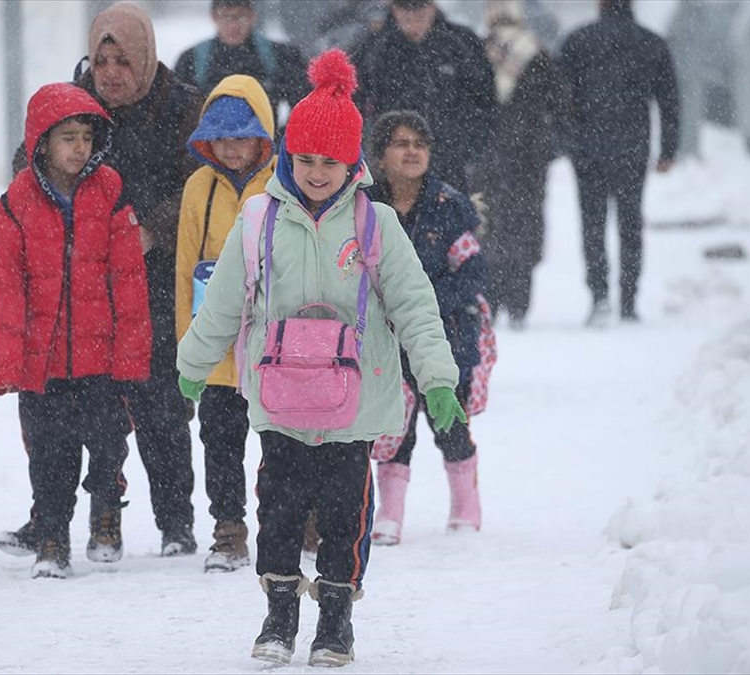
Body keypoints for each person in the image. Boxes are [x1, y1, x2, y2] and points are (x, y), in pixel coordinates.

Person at [176, 49, 465, 667]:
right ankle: (279, 614)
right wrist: (193, 365)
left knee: (345, 516)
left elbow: (416, 307)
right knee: (277, 511)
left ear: (352, 162)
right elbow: (223, 303)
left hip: (352, 407)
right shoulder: (259, 220)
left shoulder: (374, 224)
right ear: (287, 156)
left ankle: (336, 619)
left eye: (329, 162)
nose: (315, 172)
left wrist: (438, 380)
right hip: (280, 400)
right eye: (304, 159)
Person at [0, 1, 203, 560]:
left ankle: (176, 523)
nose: (110, 73)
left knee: (160, 402)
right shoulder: (72, 105)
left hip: (155, 274)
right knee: (65, 410)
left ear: (145, 57)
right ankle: (54, 519)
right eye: (102, 60)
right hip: (80, 282)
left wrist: (152, 230)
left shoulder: (182, 106)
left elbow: (200, 183)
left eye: (123, 61)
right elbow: (27, 169)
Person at [0, 83, 152, 579]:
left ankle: (106, 511)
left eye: (86, 137)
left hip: (102, 362)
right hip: (44, 364)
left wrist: (131, 354)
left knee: (108, 445)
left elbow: (128, 280)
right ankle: (52, 540)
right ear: (41, 143)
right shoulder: (14, 205)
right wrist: (8, 362)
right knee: (50, 456)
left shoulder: (111, 192)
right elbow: (6, 291)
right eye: (67, 138)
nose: (80, 148)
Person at [367, 110, 487, 545]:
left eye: (420, 144)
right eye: (401, 144)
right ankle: (390, 513)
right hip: (385, 337)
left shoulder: (450, 206)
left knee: (449, 423)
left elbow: (473, 272)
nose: (412, 152)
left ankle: (466, 505)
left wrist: (423, 304)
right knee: (392, 429)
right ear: (380, 155)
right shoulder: (365, 206)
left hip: (445, 335)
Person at [175, 74, 276, 573]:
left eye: (243, 136)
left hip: (272, 348)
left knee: (283, 442)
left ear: (263, 136)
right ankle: (229, 528)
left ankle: (292, 520)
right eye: (221, 137)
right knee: (219, 443)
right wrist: (188, 350)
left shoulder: (284, 183)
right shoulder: (198, 188)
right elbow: (184, 268)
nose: (232, 148)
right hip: (217, 347)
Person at [557, 0, 679, 327]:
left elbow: (560, 97)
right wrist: (668, 149)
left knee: (592, 224)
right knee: (630, 223)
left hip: (588, 148)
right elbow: (669, 100)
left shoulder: (578, 41)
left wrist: (566, 141)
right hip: (632, 147)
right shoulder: (651, 43)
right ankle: (628, 300)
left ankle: (598, 295)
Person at [469, 0, 568, 331]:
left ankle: (491, 299)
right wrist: (547, 147)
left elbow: (467, 103)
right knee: (524, 226)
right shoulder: (537, 54)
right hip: (528, 159)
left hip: (486, 158)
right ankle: (519, 303)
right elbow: (561, 106)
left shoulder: (479, 52)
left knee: (487, 225)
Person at [350, 0, 496, 194]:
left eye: (419, 13)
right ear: (394, 9)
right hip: (390, 167)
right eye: (405, 13)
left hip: (450, 165)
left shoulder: (462, 43)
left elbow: (484, 101)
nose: (413, 21)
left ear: (433, 7)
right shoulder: (373, 48)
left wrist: (469, 149)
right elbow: (354, 103)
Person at [173, 0, 308, 129]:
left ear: (252, 16)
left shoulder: (281, 56)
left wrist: (282, 138)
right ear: (213, 17)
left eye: (241, 16)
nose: (234, 25)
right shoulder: (191, 60)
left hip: (266, 143)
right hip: (208, 144)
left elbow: (304, 106)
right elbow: (176, 113)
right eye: (226, 17)